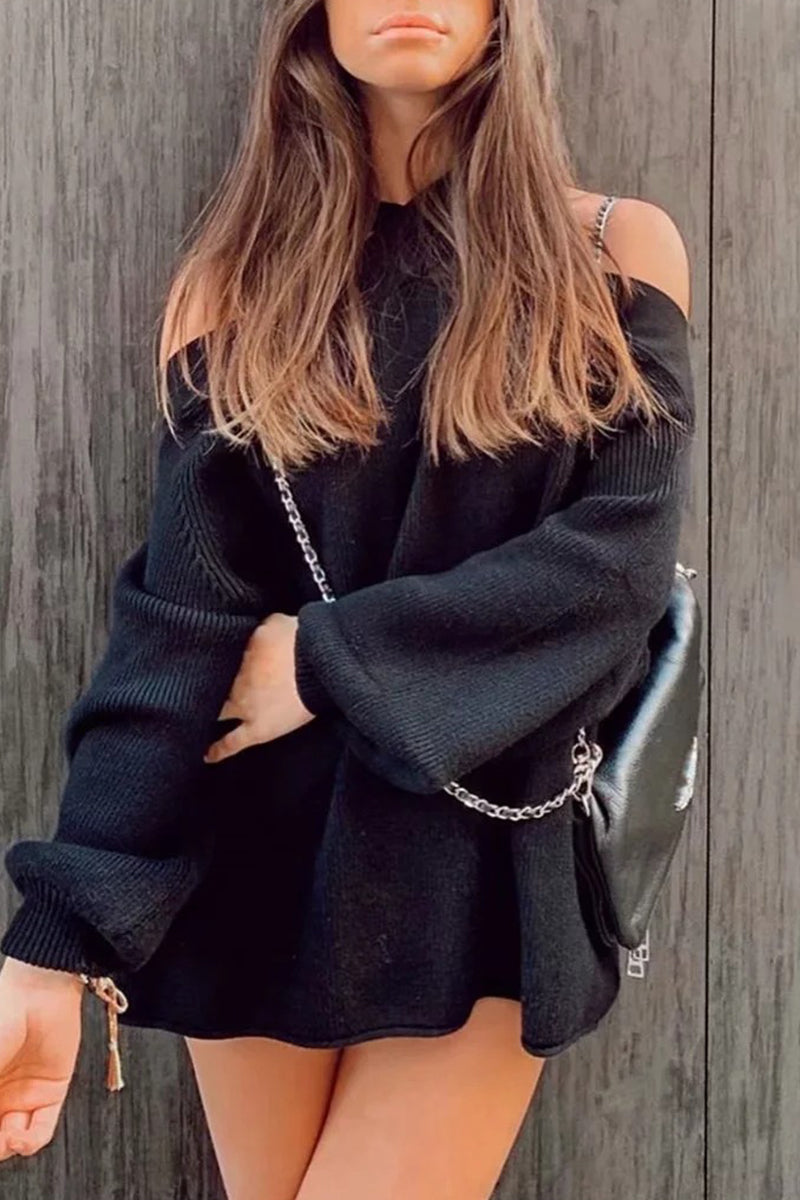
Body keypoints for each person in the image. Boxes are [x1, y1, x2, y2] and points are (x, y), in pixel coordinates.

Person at [0, 1, 695, 1196]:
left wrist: (323, 663)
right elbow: (178, 630)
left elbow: (613, 567)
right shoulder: (234, 285)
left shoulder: (610, 250)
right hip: (256, 856)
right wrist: (49, 949)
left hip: (473, 851)